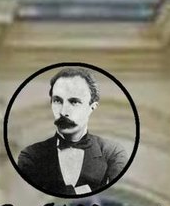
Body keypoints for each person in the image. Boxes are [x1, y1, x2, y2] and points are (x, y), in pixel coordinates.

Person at [15, 67, 129, 198]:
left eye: (74, 102)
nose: (63, 111)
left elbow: (115, 198)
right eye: (57, 101)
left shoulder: (111, 152)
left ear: (92, 107)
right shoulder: (31, 155)